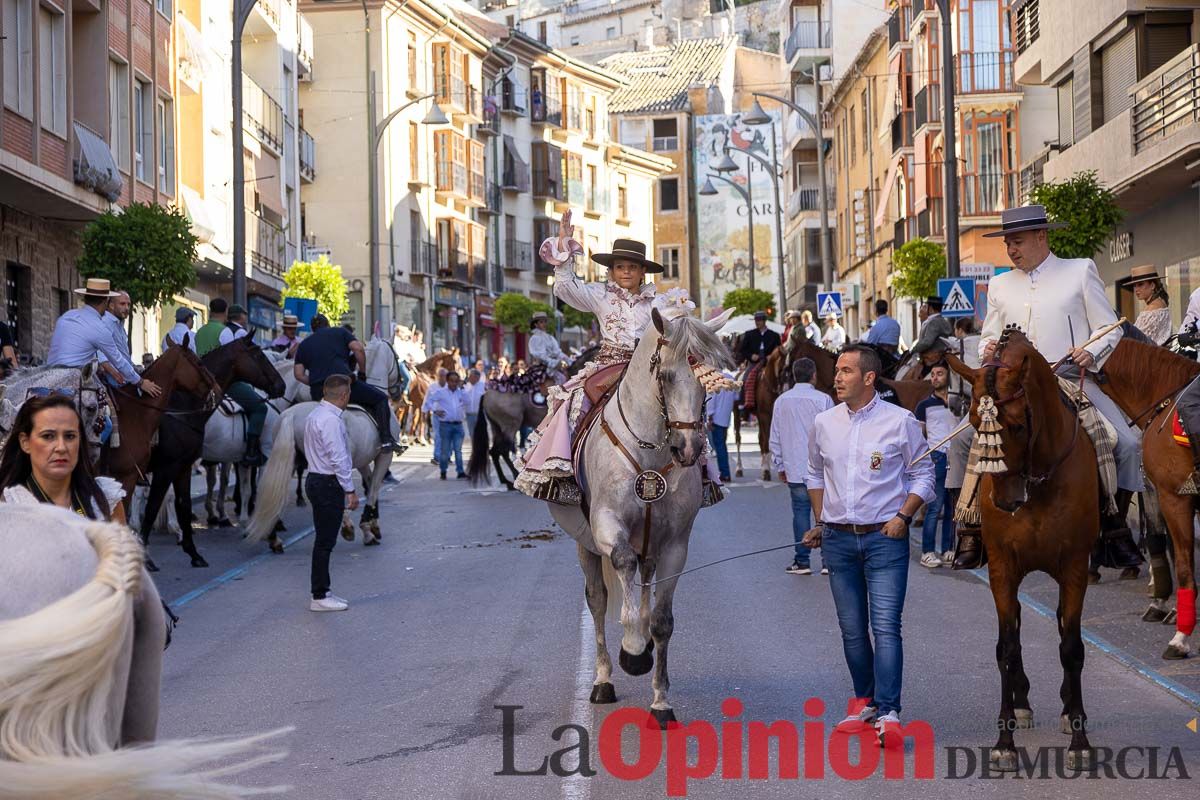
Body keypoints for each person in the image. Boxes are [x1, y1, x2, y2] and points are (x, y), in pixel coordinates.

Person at [960, 203, 1142, 571]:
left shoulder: (1079, 271)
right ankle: (972, 526)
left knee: (1126, 443)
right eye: (1008, 242)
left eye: (1018, 241)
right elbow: (989, 336)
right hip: (1013, 388)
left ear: (1041, 236)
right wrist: (987, 349)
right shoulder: (999, 284)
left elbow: (1110, 327)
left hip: (1069, 378)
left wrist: (1090, 351)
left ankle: (1112, 525)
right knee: (965, 440)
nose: (1011, 249)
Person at [515, 212, 709, 503]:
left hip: (649, 367)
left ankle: (702, 477)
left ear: (643, 271)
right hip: (608, 364)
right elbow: (565, 288)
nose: (626, 272)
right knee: (572, 403)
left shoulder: (659, 301)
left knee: (686, 406)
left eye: (632, 267)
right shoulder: (599, 295)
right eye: (620, 267)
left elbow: (677, 328)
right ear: (611, 271)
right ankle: (564, 477)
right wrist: (565, 248)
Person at [803, 344, 935, 743]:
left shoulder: (901, 422)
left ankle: (890, 711)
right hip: (839, 541)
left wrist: (903, 517)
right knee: (852, 630)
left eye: (845, 371)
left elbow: (923, 474)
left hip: (885, 539)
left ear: (868, 378)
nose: (837, 378)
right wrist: (821, 520)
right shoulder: (824, 422)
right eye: (837, 371)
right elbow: (813, 472)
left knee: (886, 627)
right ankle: (866, 702)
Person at [294, 314, 403, 453]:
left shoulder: (304, 344)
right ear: (328, 324)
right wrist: (362, 373)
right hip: (342, 387)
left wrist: (317, 381)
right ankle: (386, 440)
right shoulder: (340, 332)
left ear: (312, 328)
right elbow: (358, 348)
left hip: (318, 392)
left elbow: (298, 375)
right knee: (380, 399)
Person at [769, 358, 834, 575]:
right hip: (821, 467)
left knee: (800, 512)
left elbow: (775, 436)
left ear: (795, 375)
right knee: (824, 513)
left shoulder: (781, 401)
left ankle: (802, 560)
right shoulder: (824, 399)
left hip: (794, 466)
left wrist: (779, 463)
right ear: (814, 374)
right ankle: (827, 561)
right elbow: (834, 433)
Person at [47, 278, 161, 398]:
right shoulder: (100, 328)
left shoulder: (67, 316)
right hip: (73, 383)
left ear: (86, 298)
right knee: (108, 411)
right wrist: (141, 382)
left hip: (49, 378)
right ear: (106, 302)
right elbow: (119, 361)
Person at [303, 374, 358, 612]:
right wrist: (351, 489)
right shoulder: (331, 421)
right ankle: (320, 595)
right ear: (344, 395)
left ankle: (323, 591)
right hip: (327, 483)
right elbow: (339, 458)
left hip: (315, 479)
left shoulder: (315, 414)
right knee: (325, 542)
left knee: (323, 540)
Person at [211, 304, 269, 465]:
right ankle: (251, 451)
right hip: (233, 381)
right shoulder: (241, 333)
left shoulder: (220, 330)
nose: (246, 316)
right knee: (260, 407)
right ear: (241, 316)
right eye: (244, 313)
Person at [914, 363, 957, 568]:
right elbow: (919, 434)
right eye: (932, 375)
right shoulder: (924, 405)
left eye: (940, 374)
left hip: (956, 457)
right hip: (937, 456)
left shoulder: (959, 402)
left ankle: (949, 549)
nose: (935, 378)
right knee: (934, 507)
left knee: (953, 508)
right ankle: (927, 552)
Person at [428, 370, 468, 479]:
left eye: (456, 381)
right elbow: (429, 401)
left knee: (458, 450)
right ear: (447, 381)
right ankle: (443, 470)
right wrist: (435, 411)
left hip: (458, 425)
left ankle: (460, 472)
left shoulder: (461, 392)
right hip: (445, 425)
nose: (454, 383)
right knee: (445, 450)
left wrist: (463, 388)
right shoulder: (441, 392)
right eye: (451, 381)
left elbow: (467, 401)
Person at [707, 368, 738, 483]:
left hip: (716, 417)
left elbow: (711, 400)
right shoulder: (731, 378)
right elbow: (736, 397)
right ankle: (724, 472)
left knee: (719, 446)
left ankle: (724, 473)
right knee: (721, 445)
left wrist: (709, 416)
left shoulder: (714, 379)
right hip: (726, 417)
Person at [1127, 265, 1171, 345]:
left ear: (1152, 285)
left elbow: (1137, 340)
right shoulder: (1161, 303)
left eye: (1140, 284)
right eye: (1134, 285)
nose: (1136, 290)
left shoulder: (1152, 309)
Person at [423, 367, 448, 464]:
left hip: (447, 415)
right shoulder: (432, 386)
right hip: (436, 414)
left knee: (447, 436)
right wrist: (425, 411)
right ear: (437, 376)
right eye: (440, 375)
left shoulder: (450, 386)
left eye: (444, 376)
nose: (442, 377)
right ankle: (436, 456)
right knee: (438, 435)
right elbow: (427, 400)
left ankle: (447, 456)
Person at [463, 368, 485, 433]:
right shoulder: (465, 386)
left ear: (477, 377)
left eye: (471, 376)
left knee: (480, 435)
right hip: (469, 415)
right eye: (469, 376)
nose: (469, 377)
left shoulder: (483, 386)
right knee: (472, 434)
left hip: (480, 415)